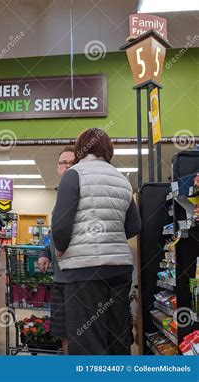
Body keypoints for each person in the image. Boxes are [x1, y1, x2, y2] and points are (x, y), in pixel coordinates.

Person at [51, 128, 141, 355]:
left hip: (84, 271)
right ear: (108, 150)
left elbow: (61, 224)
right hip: (120, 270)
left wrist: (61, 249)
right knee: (118, 336)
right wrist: (111, 238)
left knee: (88, 341)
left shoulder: (74, 175)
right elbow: (135, 225)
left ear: (80, 149)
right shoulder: (122, 180)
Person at [37, 146, 75, 355]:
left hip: (76, 277)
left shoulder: (81, 192)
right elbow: (56, 232)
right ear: (58, 168)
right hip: (60, 278)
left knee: (79, 330)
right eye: (64, 163)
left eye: (72, 162)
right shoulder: (61, 194)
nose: (67, 166)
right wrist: (45, 252)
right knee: (63, 331)